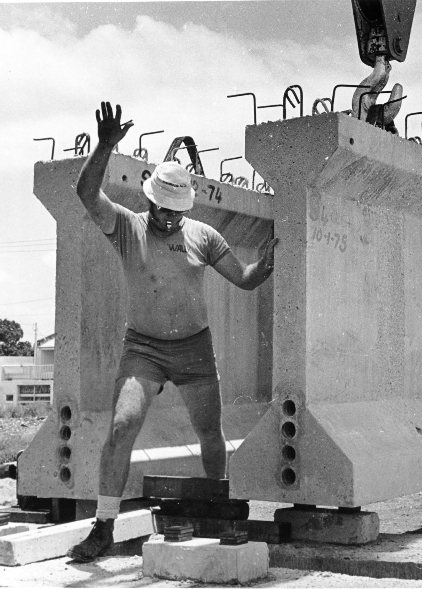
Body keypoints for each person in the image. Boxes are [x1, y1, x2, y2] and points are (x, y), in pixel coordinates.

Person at [67, 102, 277, 562]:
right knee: (122, 425)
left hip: (194, 350)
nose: (167, 218)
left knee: (209, 433)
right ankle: (103, 526)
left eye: (174, 212)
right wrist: (104, 147)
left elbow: (243, 279)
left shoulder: (202, 236)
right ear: (149, 201)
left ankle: (217, 510)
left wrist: (265, 265)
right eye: (161, 210)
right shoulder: (127, 227)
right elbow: (86, 192)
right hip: (142, 348)